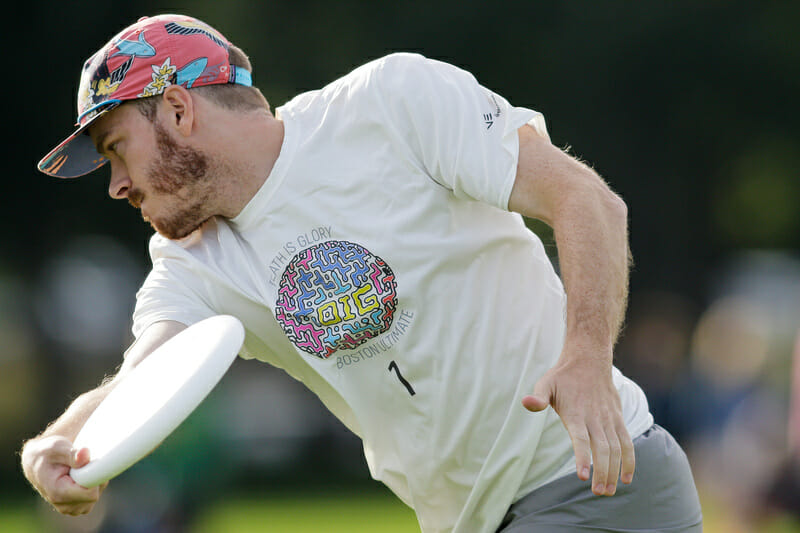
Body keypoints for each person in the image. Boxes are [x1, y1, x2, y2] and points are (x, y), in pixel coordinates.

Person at [23, 14, 702, 532]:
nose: (115, 184)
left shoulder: (390, 104)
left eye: (117, 148)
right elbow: (143, 377)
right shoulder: (192, 262)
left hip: (593, 484)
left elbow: (587, 201)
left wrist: (585, 358)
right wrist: (63, 439)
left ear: (178, 109)